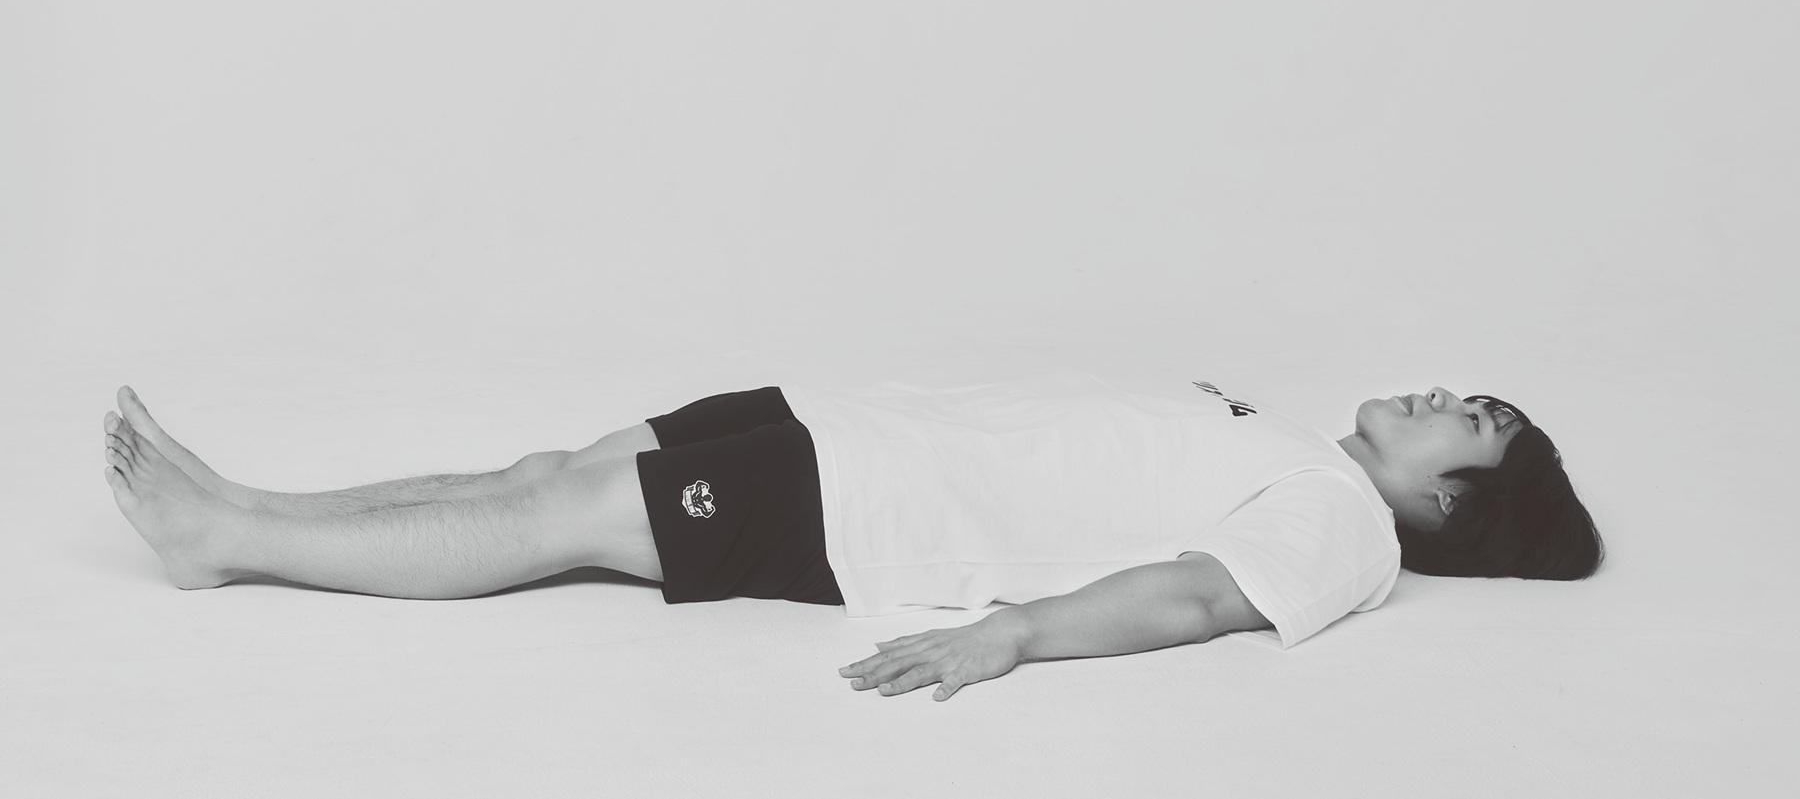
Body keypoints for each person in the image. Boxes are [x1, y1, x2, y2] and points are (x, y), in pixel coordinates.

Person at [101, 373, 1603, 702]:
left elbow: (1204, 596)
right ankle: (256, 511)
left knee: (559, 516)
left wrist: (1015, 634)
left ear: (1450, 504)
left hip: (863, 510)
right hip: (849, 430)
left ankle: (225, 539)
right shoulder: (1297, 447)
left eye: (1468, 422)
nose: (1440, 394)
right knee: (547, 469)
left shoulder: (1348, 527)